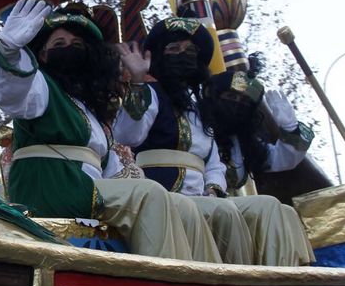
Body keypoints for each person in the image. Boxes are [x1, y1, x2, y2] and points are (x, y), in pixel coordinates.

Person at [0, 0, 220, 264]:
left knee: (183, 207)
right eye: (59, 45)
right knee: (150, 195)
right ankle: (168, 283)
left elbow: (108, 167)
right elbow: (10, 93)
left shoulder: (86, 109)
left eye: (77, 46)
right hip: (49, 186)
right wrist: (9, 50)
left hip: (85, 189)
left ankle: (210, 277)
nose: (69, 51)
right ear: (42, 55)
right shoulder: (40, 86)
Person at [115, 17, 313, 267]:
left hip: (206, 197)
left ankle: (284, 277)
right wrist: (138, 82)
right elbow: (127, 135)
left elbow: (215, 165)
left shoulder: (202, 113)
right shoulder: (151, 95)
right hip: (165, 195)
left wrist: (213, 188)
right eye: (174, 49)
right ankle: (238, 283)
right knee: (225, 211)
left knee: (272, 206)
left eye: (190, 51)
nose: (235, 104)